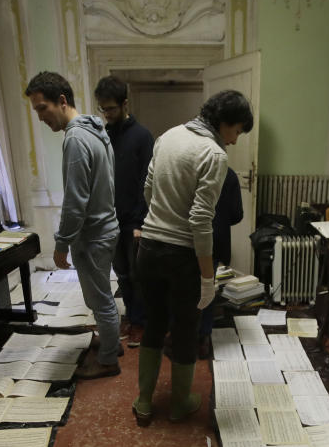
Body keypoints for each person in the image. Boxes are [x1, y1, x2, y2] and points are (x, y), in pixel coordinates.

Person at [134, 90, 254, 425]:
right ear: (226, 122)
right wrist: (207, 278)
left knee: (154, 322)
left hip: (148, 247)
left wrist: (163, 213)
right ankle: (180, 403)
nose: (235, 140)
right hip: (182, 256)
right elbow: (201, 222)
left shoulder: (168, 136)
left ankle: (143, 401)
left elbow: (148, 188)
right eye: (238, 132)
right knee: (186, 329)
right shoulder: (213, 154)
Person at [25, 71, 121, 379]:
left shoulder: (77, 139)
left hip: (93, 235)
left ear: (62, 101)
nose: (40, 117)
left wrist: (61, 243)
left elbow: (76, 200)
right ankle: (111, 342)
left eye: (42, 108)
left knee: (100, 298)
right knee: (100, 294)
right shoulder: (96, 130)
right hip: (106, 227)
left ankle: (108, 359)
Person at [93, 75, 154, 348]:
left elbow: (147, 182)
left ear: (125, 104)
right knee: (122, 273)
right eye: (103, 109)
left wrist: (141, 221)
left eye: (111, 109)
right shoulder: (103, 136)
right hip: (110, 219)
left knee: (140, 275)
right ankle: (131, 315)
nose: (107, 114)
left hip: (135, 220)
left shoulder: (142, 137)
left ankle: (141, 322)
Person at [197, 167, 243, 358]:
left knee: (187, 290)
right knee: (208, 289)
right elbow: (237, 214)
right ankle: (204, 338)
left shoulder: (193, 170)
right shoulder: (229, 174)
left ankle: (184, 335)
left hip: (190, 239)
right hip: (217, 239)